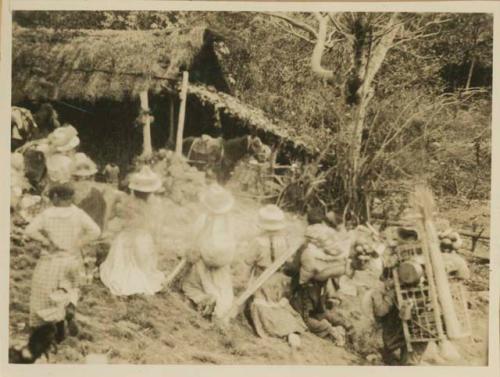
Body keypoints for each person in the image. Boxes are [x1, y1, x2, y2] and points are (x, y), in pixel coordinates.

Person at [24, 183, 101, 344]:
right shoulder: (78, 214)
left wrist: (45, 240)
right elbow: (96, 231)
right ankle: (68, 310)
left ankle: (55, 327)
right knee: (68, 288)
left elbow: (30, 230)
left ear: (56, 197)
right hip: (72, 259)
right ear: (70, 197)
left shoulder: (48, 214)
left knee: (45, 293)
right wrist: (79, 243)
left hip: (51, 260)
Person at [244, 204, 307, 348]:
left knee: (262, 305)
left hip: (262, 279)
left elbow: (248, 262)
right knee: (278, 305)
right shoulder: (284, 240)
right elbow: (288, 261)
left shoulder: (257, 242)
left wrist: (245, 281)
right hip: (278, 279)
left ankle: (278, 329)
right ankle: (290, 330)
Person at [288, 208, 353, 346]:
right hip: (324, 280)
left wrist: (296, 279)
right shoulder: (330, 233)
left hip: (310, 283)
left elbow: (297, 268)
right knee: (319, 311)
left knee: (303, 317)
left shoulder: (308, 237)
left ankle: (332, 331)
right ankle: (346, 325)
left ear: (307, 220)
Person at [99, 165, 165, 296]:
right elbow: (157, 227)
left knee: (122, 260)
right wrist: (156, 241)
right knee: (143, 260)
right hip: (143, 239)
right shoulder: (156, 204)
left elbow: (117, 218)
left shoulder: (127, 202)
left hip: (126, 238)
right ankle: (141, 276)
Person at [182, 183, 236, 321]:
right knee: (222, 291)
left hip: (204, 263)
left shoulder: (204, 219)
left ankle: (203, 299)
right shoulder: (229, 222)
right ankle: (218, 301)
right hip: (221, 265)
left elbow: (193, 238)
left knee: (189, 285)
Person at [71, 153, 107, 231]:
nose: (82, 181)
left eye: (87, 178)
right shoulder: (67, 193)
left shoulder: (96, 195)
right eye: (77, 178)